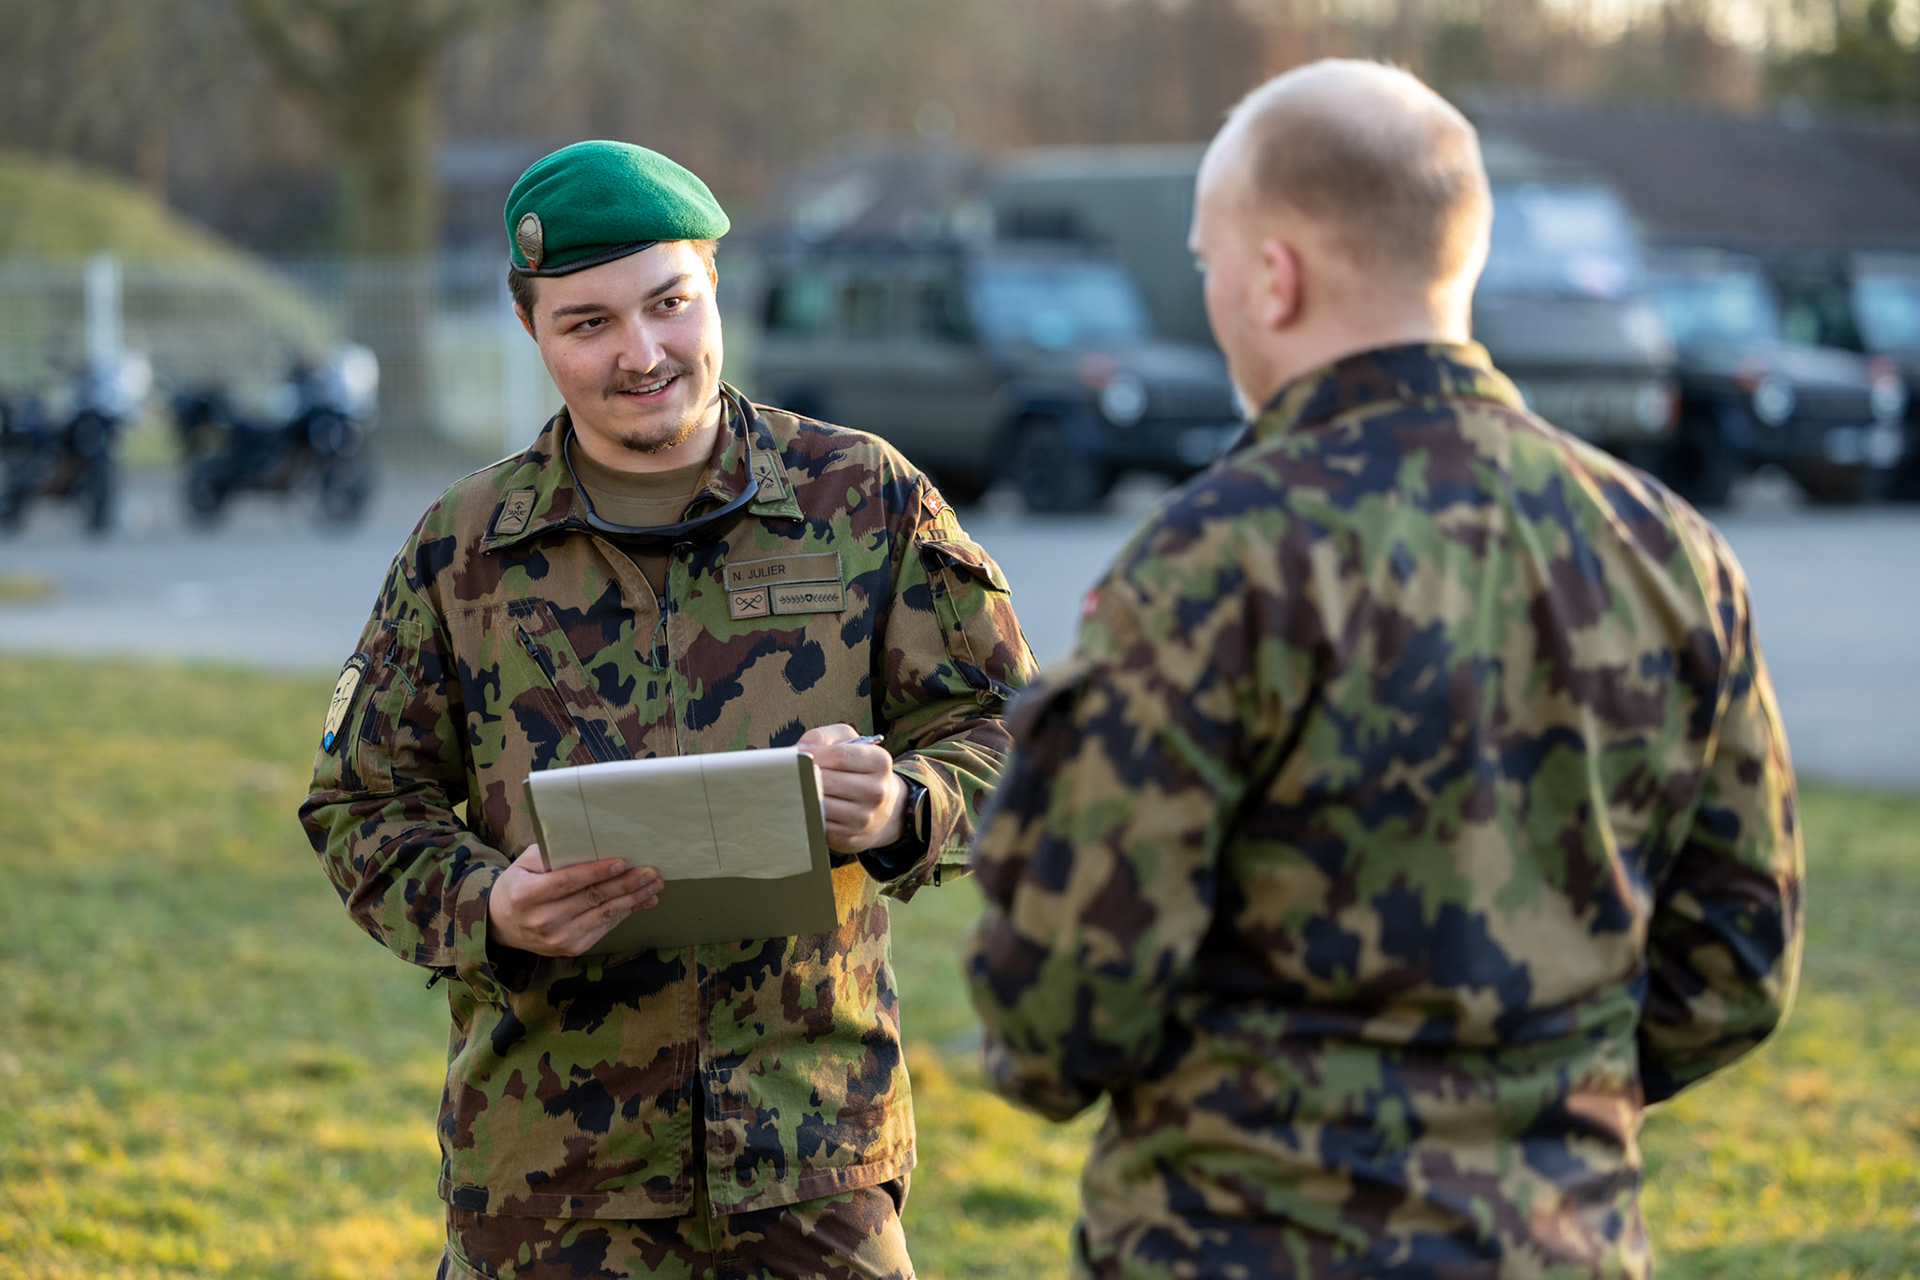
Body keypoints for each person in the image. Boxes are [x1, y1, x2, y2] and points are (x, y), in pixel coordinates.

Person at [962, 60, 1802, 1279]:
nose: (1212, 294)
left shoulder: (1218, 558)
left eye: (1208, 263)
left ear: (1275, 276)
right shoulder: (1669, 550)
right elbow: (1736, 964)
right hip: (1554, 1240)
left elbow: (1062, 1013)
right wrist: (1530, 1101)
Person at [299, 139, 1035, 1280]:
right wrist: (490, 903)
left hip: (810, 1157)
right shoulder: (463, 548)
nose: (641, 354)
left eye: (669, 303)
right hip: (549, 1172)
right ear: (530, 327)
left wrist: (904, 802)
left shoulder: (861, 498)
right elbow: (360, 803)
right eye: (588, 323)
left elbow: (1012, 735)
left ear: (713, 286)